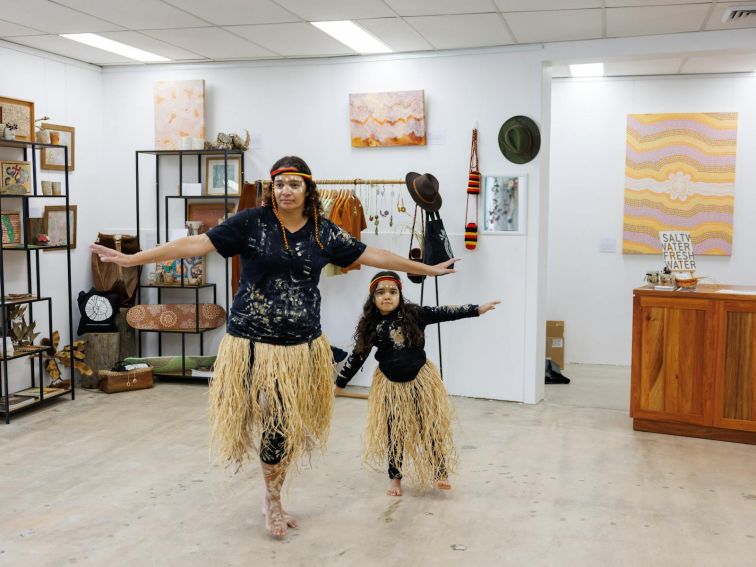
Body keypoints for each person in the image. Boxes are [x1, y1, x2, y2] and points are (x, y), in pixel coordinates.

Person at [90, 156, 458, 538]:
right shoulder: (251, 223)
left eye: (294, 184)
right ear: (272, 189)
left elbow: (371, 255)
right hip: (249, 345)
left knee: (280, 425)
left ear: (307, 190)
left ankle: (273, 498)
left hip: (298, 351)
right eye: (279, 184)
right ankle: (272, 495)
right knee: (253, 420)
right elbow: (194, 244)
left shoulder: (322, 233)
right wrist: (134, 258)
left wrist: (425, 270)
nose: (286, 191)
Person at [335, 271, 499, 496]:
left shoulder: (415, 314)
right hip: (391, 385)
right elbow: (357, 356)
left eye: (393, 292)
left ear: (400, 295)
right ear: (372, 298)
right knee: (395, 431)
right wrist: (340, 383)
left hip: (420, 380)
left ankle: (440, 471)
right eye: (380, 292)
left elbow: (445, 312)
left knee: (429, 426)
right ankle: (395, 478)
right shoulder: (372, 326)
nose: (387, 296)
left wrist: (476, 309)